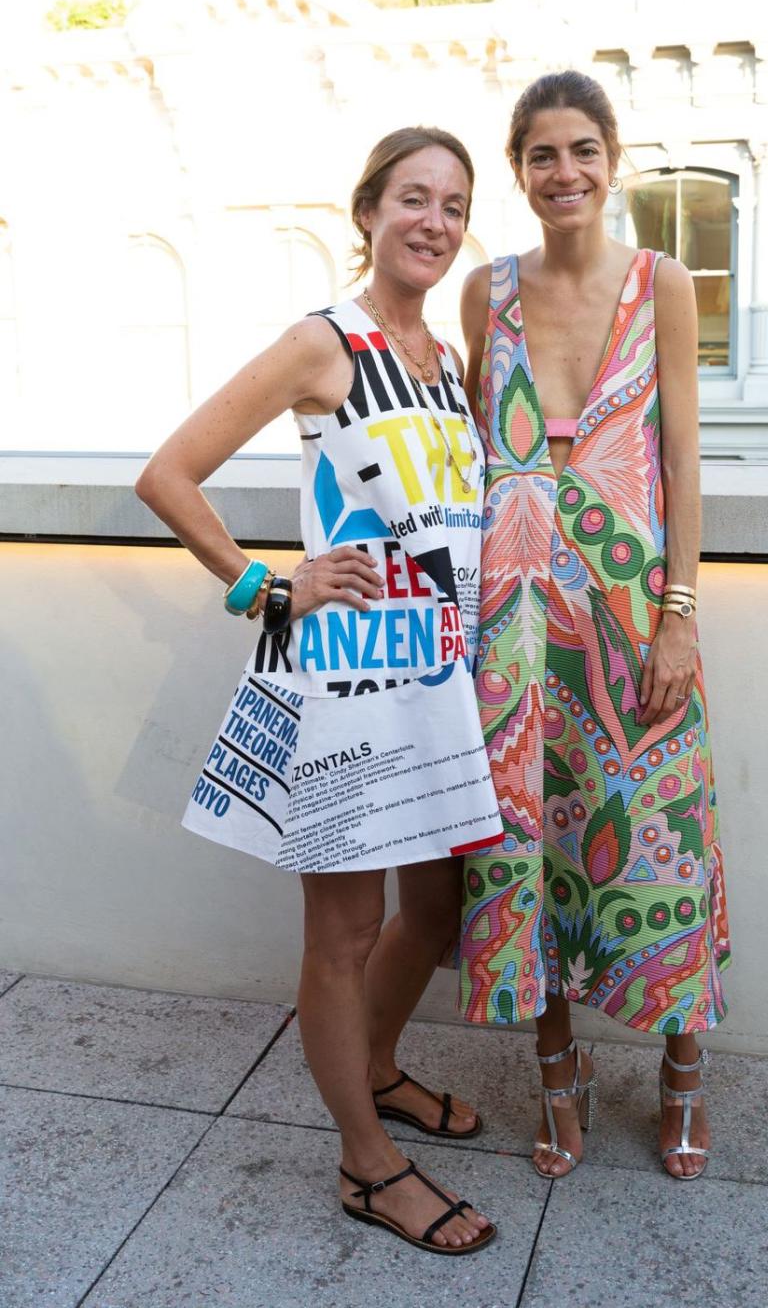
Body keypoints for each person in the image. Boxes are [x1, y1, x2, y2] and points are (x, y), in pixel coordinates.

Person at [136, 127, 500, 1254]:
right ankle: (365, 1161)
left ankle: (376, 1069)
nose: (432, 221)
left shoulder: (446, 360)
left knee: (436, 911)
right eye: (412, 199)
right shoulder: (321, 343)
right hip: (344, 677)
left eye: (452, 204)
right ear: (369, 211)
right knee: (346, 928)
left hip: (437, 675)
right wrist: (265, 581)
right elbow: (168, 473)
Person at [458, 72, 731, 1181]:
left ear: (613, 159)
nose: (562, 171)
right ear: (519, 171)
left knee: (662, 840)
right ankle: (557, 1071)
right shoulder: (487, 293)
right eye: (540, 155)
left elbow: (679, 464)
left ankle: (680, 1068)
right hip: (513, 618)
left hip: (630, 611)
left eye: (581, 149)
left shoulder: (663, 283)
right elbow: (467, 452)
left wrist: (678, 614)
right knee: (529, 845)